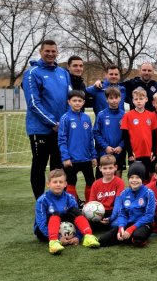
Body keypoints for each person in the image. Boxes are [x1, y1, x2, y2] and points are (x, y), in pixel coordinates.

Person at [24, 40, 72, 199]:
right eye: (47, 51)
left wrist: (64, 122)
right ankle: (40, 201)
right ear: (41, 52)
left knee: (58, 166)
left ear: (57, 52)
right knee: (40, 165)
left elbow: (70, 99)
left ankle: (58, 200)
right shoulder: (32, 73)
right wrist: (52, 122)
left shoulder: (63, 73)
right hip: (40, 129)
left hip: (60, 129)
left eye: (53, 51)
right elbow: (33, 103)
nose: (50, 54)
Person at [34, 169, 100, 254]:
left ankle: (88, 237)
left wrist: (78, 237)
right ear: (48, 184)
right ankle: (54, 242)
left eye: (61, 182)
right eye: (55, 182)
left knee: (75, 211)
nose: (58, 184)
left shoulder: (70, 198)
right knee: (55, 213)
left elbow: (77, 217)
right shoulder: (42, 200)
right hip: (46, 231)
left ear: (65, 184)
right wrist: (59, 238)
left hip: (67, 228)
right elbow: (41, 224)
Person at [98, 161, 155, 247]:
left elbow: (149, 216)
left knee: (138, 237)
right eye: (132, 177)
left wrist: (131, 229)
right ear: (128, 178)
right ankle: (127, 238)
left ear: (142, 179)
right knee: (102, 240)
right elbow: (122, 214)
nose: (134, 180)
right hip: (129, 223)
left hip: (143, 224)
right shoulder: (124, 193)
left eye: (137, 177)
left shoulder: (149, 193)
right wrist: (121, 227)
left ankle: (132, 237)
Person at [58, 90, 97, 203]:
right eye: (74, 100)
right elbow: (62, 140)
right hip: (71, 159)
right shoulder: (65, 118)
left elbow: (90, 139)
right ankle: (72, 206)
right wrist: (65, 157)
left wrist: (93, 156)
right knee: (71, 182)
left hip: (86, 158)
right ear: (69, 102)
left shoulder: (86, 118)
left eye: (79, 101)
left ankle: (89, 205)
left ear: (83, 102)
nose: (77, 103)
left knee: (90, 181)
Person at [121, 87, 155, 174]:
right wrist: (130, 153)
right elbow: (125, 136)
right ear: (133, 101)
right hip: (135, 153)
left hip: (148, 153)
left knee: (147, 176)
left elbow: (154, 135)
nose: (138, 101)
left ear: (146, 99)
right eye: (136, 99)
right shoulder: (127, 116)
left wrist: (153, 151)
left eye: (141, 99)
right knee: (136, 176)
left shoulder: (151, 115)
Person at [89, 154, 125, 226]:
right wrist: (97, 218)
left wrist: (111, 218)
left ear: (115, 167)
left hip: (114, 211)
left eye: (110, 168)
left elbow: (118, 204)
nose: (108, 171)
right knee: (85, 221)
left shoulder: (119, 182)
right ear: (100, 168)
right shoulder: (95, 184)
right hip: (99, 212)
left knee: (116, 224)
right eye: (105, 168)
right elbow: (91, 204)